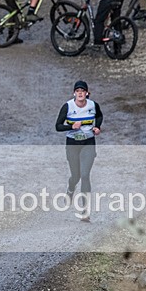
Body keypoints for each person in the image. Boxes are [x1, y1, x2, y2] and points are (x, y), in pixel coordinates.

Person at [55, 80, 103, 221]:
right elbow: (57, 126)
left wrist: (97, 127)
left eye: (83, 91)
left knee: (85, 175)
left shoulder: (93, 105)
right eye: (78, 91)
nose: (80, 93)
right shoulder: (68, 107)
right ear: (74, 93)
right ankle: (70, 189)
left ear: (87, 93)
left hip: (88, 143)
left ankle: (85, 211)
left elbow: (99, 116)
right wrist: (71, 127)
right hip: (72, 144)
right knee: (76, 176)